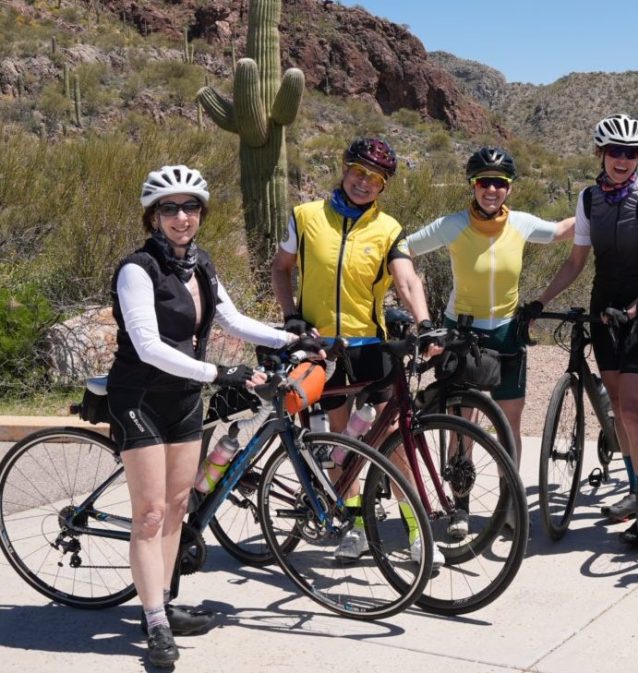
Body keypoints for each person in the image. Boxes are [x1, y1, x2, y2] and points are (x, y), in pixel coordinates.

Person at [109, 165, 302, 667]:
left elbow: (232, 319)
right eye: (170, 208)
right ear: (153, 216)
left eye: (190, 207)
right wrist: (219, 372)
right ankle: (155, 622)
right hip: (140, 398)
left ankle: (162, 605)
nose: (182, 217)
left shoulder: (202, 265)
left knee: (177, 506)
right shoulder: (137, 270)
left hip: (183, 400)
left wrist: (293, 337)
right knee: (150, 514)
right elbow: (148, 346)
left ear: (201, 214)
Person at [270, 137, 440, 566]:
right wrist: (291, 316)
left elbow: (407, 279)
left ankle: (416, 530)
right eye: (360, 172)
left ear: (384, 187)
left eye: (376, 179)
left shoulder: (389, 228)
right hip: (321, 349)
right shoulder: (305, 216)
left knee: (393, 439)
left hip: (369, 346)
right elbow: (281, 268)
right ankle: (354, 528)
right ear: (345, 168)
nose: (365, 183)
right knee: (340, 441)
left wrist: (424, 322)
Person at [530, 113, 638, 546]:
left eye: (631, 153)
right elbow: (576, 262)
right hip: (603, 311)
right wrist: (541, 301)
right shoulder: (589, 199)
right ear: (601, 153)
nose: (623, 160)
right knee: (616, 407)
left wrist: (636, 308)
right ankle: (636, 492)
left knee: (632, 411)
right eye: (615, 151)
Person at [406, 146, 573, 468]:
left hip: (507, 332)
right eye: (484, 182)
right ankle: (460, 496)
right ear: (473, 185)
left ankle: (510, 496)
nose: (491, 189)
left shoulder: (521, 223)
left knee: (509, 424)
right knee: (461, 425)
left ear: (510, 187)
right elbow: (404, 249)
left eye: (500, 182)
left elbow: (561, 231)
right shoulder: (453, 225)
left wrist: (599, 207)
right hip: (461, 331)